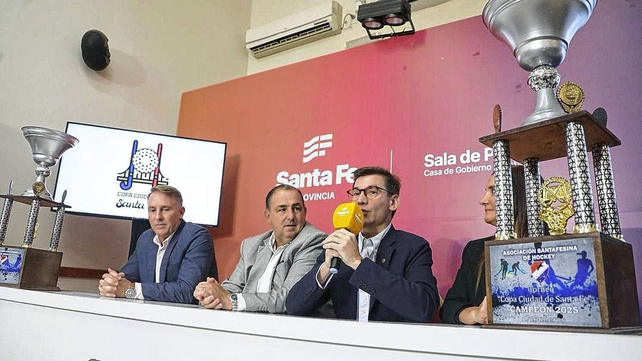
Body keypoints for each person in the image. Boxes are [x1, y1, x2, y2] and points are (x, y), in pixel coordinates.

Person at [286, 166, 439, 323]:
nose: (360, 200)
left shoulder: (413, 247)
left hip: (392, 344)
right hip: (346, 343)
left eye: (372, 192)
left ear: (392, 202)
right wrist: (325, 269)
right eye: (357, 193)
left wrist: (357, 263)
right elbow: (294, 307)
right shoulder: (339, 245)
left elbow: (424, 308)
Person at [193, 184, 326, 313]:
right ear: (268, 216)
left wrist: (231, 301)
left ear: (305, 212)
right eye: (282, 209)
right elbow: (233, 287)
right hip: (252, 324)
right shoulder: (252, 245)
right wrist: (212, 294)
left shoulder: (313, 241)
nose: (291, 216)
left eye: (296, 209)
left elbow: (290, 297)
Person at [440, 165, 529, 324]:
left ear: (521, 196)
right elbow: (450, 308)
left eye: (494, 191)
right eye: (486, 191)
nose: (483, 200)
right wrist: (476, 314)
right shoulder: (475, 249)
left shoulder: (556, 247)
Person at [98, 185, 217, 304]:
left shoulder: (197, 236)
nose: (158, 217)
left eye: (165, 209)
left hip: (188, 318)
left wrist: (132, 290)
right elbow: (126, 278)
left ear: (181, 212)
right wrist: (111, 284)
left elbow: (187, 292)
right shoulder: (146, 238)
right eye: (152, 210)